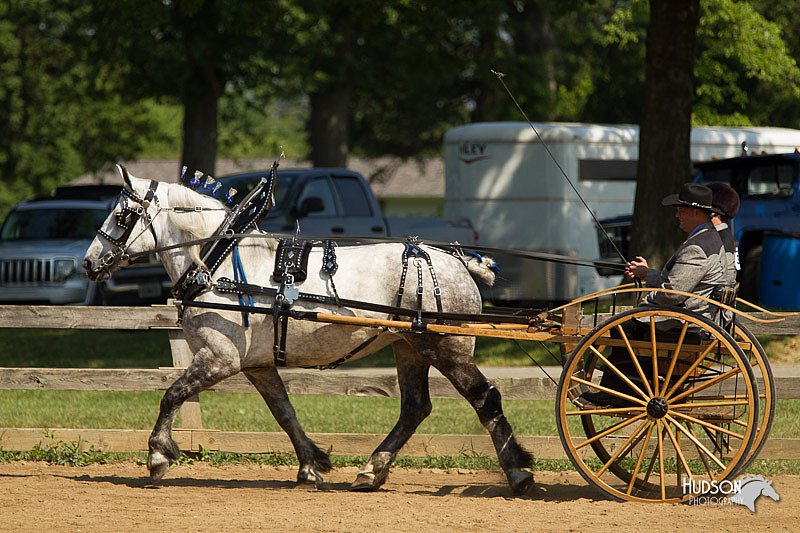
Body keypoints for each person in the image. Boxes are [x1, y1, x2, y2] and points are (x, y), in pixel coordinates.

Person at [581, 183, 727, 407]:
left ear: (697, 212)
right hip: (691, 318)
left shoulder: (698, 246)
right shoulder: (706, 239)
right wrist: (647, 274)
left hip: (684, 323)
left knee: (623, 326)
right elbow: (679, 281)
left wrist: (645, 303)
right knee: (628, 323)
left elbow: (673, 293)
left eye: (681, 209)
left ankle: (618, 391)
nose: (677, 215)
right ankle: (625, 386)